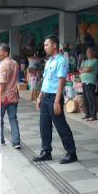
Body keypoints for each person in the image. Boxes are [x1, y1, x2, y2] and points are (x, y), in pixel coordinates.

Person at [33, 35, 78, 164]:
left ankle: (71, 152)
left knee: (61, 125)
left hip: (54, 97)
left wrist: (57, 101)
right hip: (46, 97)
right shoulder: (48, 61)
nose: (44, 47)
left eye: (46, 45)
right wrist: (40, 96)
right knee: (44, 125)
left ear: (54, 45)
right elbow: (46, 81)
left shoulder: (61, 61)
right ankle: (46, 151)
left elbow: (61, 82)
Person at [0, 43, 21, 148]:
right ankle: (16, 142)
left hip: (3, 97)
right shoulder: (15, 63)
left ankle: (0, 139)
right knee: (13, 119)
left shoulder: (2, 65)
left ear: (5, 53)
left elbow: (2, 83)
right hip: (13, 96)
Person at [79, 46, 98, 121]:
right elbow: (80, 69)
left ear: (93, 53)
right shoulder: (85, 61)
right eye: (87, 53)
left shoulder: (95, 60)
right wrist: (85, 70)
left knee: (91, 99)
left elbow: (89, 69)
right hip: (84, 82)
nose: (87, 54)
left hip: (90, 82)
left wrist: (85, 69)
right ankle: (87, 114)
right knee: (85, 99)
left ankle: (93, 115)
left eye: (89, 53)